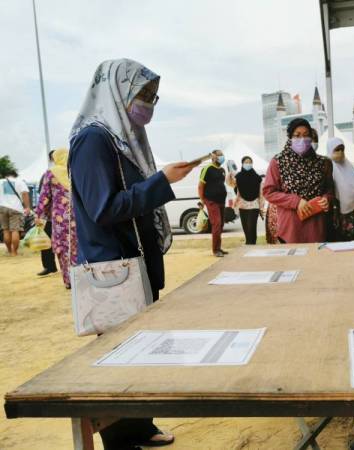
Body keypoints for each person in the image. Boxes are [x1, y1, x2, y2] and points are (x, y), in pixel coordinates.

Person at [69, 58, 194, 450]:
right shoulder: (93, 140)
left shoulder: (125, 140)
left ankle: (140, 427)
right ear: (116, 90)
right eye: (143, 96)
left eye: (154, 97)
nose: (149, 105)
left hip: (134, 264)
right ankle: (121, 439)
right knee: (120, 357)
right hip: (112, 269)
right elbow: (103, 208)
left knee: (139, 352)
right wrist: (162, 183)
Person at [263, 118, 334, 243]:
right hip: (291, 227)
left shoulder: (323, 163)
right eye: (297, 135)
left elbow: (329, 189)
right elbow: (269, 192)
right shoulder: (278, 162)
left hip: (316, 226)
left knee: (316, 260)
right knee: (294, 261)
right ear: (290, 138)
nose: (302, 139)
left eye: (306, 135)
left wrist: (326, 199)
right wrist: (296, 201)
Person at [34, 148, 77, 288]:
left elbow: (44, 197)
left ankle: (69, 280)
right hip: (80, 217)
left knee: (63, 249)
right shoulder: (76, 170)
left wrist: (39, 215)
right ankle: (82, 277)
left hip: (60, 218)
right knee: (79, 247)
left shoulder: (51, 173)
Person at [327, 137, 354, 241]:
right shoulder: (328, 168)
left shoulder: (349, 167)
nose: (340, 152)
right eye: (337, 149)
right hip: (337, 214)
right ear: (330, 150)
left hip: (353, 212)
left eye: (342, 149)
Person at [199, 150, 228, 257]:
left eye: (222, 155)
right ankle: (215, 250)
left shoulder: (222, 170)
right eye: (219, 155)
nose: (222, 157)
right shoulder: (207, 168)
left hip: (221, 201)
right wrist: (202, 200)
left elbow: (221, 184)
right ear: (214, 157)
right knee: (216, 223)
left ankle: (219, 247)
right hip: (211, 200)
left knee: (221, 224)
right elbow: (200, 186)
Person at [37, 150, 58, 276]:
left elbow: (43, 196)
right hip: (54, 215)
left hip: (54, 215)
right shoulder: (48, 174)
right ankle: (50, 266)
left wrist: (39, 213)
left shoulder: (48, 174)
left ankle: (50, 267)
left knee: (47, 241)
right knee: (46, 241)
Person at [0, 169, 31, 256]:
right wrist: (27, 207)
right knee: (15, 230)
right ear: (15, 175)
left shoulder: (1, 181)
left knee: (5, 230)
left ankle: (9, 250)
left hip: (2, 207)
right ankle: (14, 252)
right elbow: (25, 194)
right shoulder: (19, 181)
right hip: (16, 208)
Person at [234, 156, 264, 245]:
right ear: (242, 164)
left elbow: (261, 194)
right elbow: (230, 183)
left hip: (254, 205)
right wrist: (231, 173)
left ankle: (252, 244)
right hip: (242, 205)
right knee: (246, 228)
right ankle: (248, 244)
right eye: (246, 162)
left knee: (251, 227)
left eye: (250, 162)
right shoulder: (238, 177)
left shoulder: (257, 177)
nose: (248, 164)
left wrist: (261, 208)